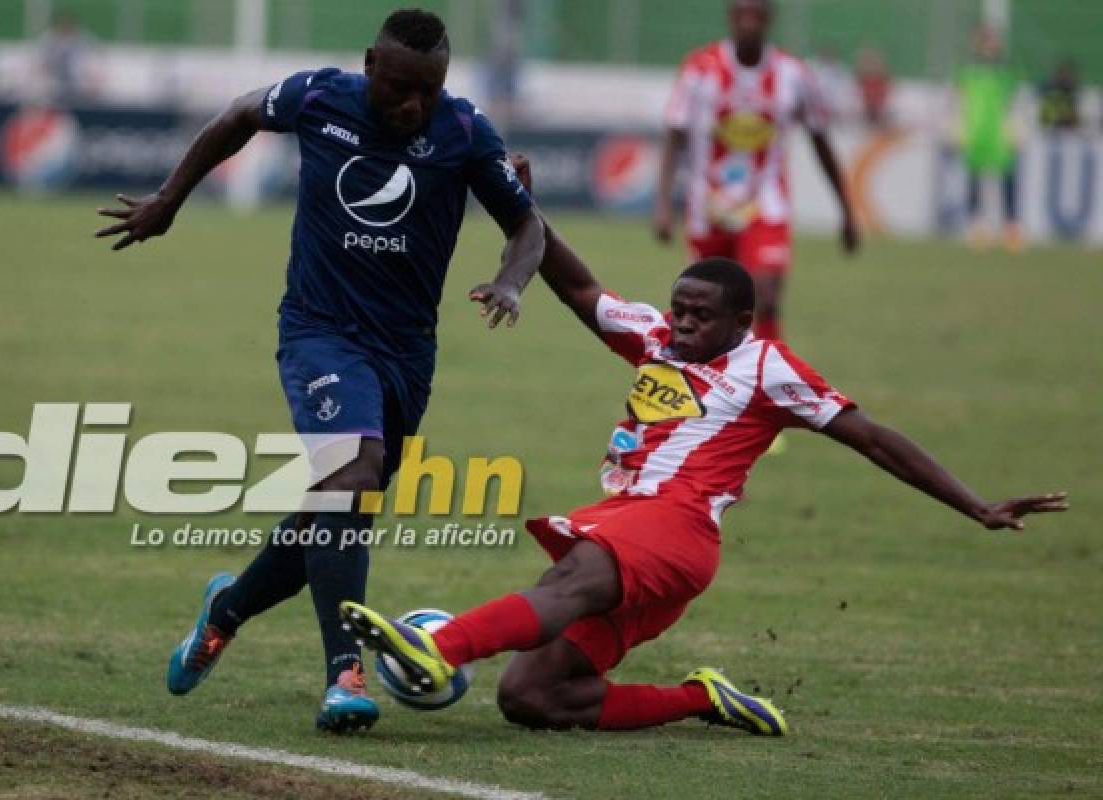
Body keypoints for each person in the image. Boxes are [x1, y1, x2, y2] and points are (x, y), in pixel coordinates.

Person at [340, 154, 1067, 735]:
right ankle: (700, 699)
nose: (683, 324)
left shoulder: (768, 368)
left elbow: (872, 438)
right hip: (637, 524)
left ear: (743, 320)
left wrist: (975, 506)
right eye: (679, 308)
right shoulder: (655, 339)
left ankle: (439, 649)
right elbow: (576, 285)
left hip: (677, 526)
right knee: (532, 697)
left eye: (701, 316)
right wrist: (521, 211)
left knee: (568, 583)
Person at [95, 9, 544, 733]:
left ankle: (226, 610)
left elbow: (527, 224)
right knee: (352, 475)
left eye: (427, 92)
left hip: (406, 353)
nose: (412, 106)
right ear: (371, 64)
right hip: (320, 333)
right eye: (400, 87)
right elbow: (240, 114)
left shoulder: (462, 131)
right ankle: (345, 674)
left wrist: (512, 281)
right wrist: (171, 198)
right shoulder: (320, 97)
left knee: (334, 511)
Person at [653, 0, 858, 343]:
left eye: (756, 14)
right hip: (710, 205)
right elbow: (675, 136)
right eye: (741, 14)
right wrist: (662, 204)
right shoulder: (700, 69)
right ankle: (706, 381)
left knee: (766, 295)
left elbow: (821, 142)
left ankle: (768, 378)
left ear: (768, 19)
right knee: (705, 305)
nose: (748, 23)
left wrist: (846, 210)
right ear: (730, 17)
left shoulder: (793, 74)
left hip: (765, 201)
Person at [956, 26, 1022, 252]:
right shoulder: (968, 72)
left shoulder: (1006, 73)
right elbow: (960, 102)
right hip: (976, 133)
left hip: (998, 134)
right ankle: (976, 227)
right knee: (974, 182)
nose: (989, 47)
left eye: (992, 42)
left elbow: (1014, 104)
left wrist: (1014, 129)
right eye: (985, 42)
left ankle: (1011, 227)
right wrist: (959, 129)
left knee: (1008, 180)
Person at [1038, 59, 1081, 131]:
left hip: (1065, 126)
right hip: (1053, 125)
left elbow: (1074, 120)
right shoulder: (1050, 93)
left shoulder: (1071, 94)